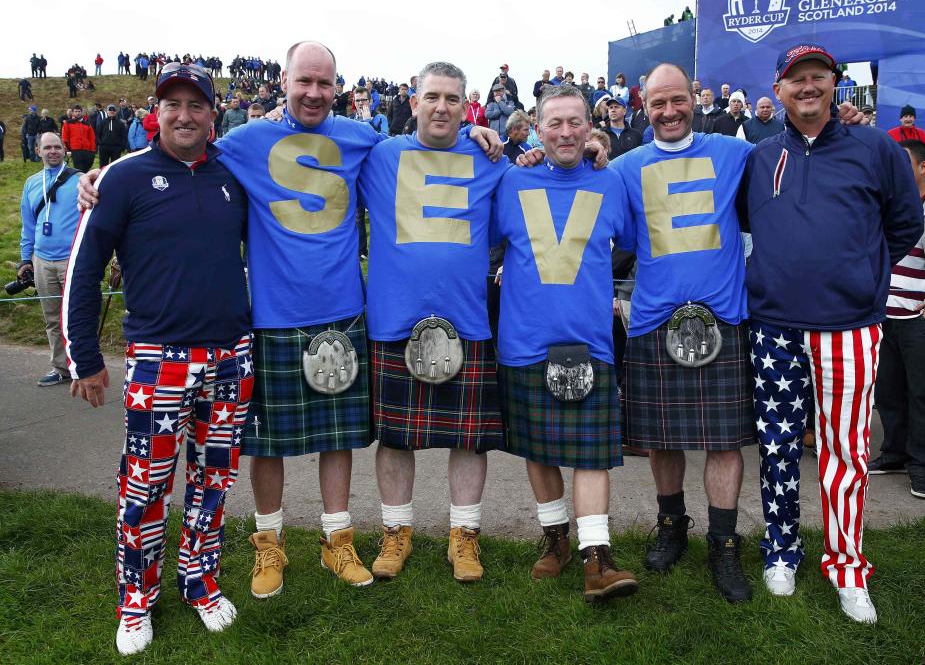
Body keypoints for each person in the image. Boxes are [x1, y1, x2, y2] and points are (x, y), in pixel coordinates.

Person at [78, 43, 503, 598]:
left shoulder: (362, 139)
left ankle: (337, 541)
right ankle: (269, 546)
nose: (314, 93)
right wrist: (103, 174)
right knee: (269, 445)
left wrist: (480, 132)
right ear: (284, 80)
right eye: (304, 81)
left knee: (338, 440)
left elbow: (429, 141)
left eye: (324, 84)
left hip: (345, 311)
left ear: (337, 87)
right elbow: (179, 150)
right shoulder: (245, 141)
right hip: (274, 316)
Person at [63, 63, 252, 656]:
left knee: (213, 482)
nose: (185, 115)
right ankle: (136, 601)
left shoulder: (234, 175)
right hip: (158, 360)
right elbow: (84, 268)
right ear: (156, 111)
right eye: (173, 104)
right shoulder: (121, 177)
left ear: (212, 115)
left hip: (231, 356)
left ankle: (200, 583)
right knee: (145, 487)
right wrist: (84, 357)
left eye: (196, 106)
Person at [738, 43, 922, 623]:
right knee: (778, 447)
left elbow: (904, 224)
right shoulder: (762, 156)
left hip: (849, 329)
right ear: (779, 88)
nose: (807, 87)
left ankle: (847, 567)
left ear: (834, 84)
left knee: (846, 454)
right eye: (796, 80)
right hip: (773, 328)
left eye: (817, 77)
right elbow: (749, 223)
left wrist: (861, 279)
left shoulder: (875, 148)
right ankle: (781, 551)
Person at [358, 61, 508, 584]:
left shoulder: (490, 158)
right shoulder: (380, 155)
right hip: (395, 322)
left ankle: (463, 536)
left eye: (452, 98)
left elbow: (540, 170)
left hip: (466, 320)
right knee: (396, 438)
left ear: (466, 106)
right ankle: (396, 532)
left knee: (469, 439)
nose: (441, 107)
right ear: (414, 102)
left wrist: (594, 149)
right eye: (432, 97)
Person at [610, 63, 755, 605]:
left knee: (723, 441)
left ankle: (723, 542)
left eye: (677, 100)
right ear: (643, 108)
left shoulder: (734, 153)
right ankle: (672, 526)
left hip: (722, 319)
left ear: (693, 98)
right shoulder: (624, 167)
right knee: (660, 439)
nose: (669, 112)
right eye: (657, 104)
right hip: (652, 320)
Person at [495, 83, 638, 603]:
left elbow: (629, 246)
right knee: (539, 450)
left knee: (590, 454)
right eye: (553, 123)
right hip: (525, 341)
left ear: (589, 125)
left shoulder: (613, 182)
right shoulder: (511, 181)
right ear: (536, 126)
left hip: (591, 341)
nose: (565, 132)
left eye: (575, 122)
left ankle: (596, 556)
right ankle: (554, 539)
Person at [869, 139, 925, 500]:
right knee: (887, 392)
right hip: (882, 317)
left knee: (922, 395)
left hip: (923, 318)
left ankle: (922, 466)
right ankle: (894, 453)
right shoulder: (882, 206)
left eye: (902, 163)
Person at [18, 132, 81, 387]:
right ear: (38, 151)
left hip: (72, 259)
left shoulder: (79, 180)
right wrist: (25, 259)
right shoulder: (32, 183)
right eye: (48, 148)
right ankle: (60, 368)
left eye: (57, 147)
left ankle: (84, 366)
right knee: (52, 318)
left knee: (76, 316)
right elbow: (27, 225)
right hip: (42, 260)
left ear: (65, 150)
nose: (53, 151)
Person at [61, 105, 97, 172]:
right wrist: (68, 149)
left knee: (86, 169)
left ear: (81, 112)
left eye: (79, 111)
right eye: (76, 111)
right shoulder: (68, 123)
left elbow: (92, 138)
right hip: (75, 149)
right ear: (72, 112)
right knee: (79, 170)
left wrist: (92, 151)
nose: (78, 113)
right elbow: (65, 138)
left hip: (87, 150)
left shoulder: (87, 124)